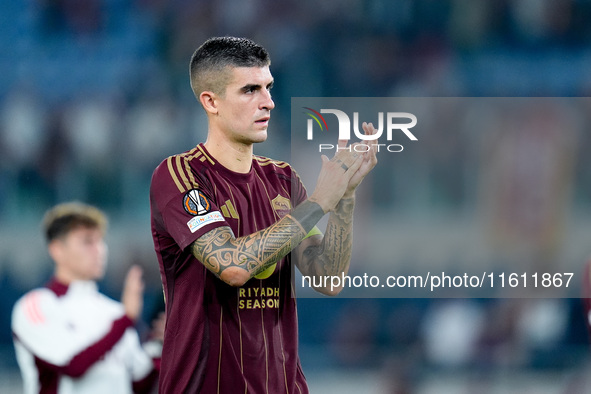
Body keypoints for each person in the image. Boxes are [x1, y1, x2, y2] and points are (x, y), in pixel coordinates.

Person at [149, 36, 378, 393]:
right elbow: (232, 266)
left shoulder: (282, 179)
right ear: (211, 101)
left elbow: (328, 277)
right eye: (250, 90)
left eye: (269, 88)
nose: (268, 102)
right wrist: (319, 202)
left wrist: (345, 198)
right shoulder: (179, 175)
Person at [12, 202, 164, 394]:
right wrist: (126, 320)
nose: (99, 249)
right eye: (87, 242)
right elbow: (73, 365)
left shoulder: (114, 311)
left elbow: (138, 384)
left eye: (100, 241)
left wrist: (160, 344)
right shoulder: (34, 305)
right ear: (57, 250)